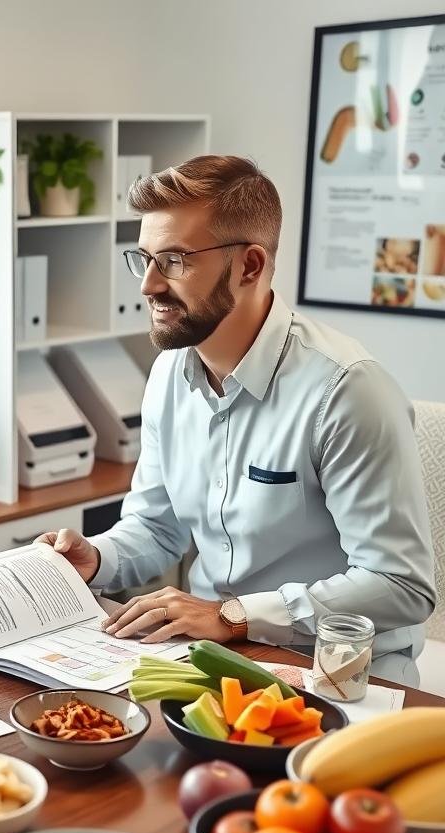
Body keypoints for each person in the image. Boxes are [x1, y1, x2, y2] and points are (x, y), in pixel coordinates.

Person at [37, 155, 435, 683]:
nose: (148, 286)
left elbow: (401, 584)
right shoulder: (167, 376)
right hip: (211, 656)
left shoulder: (348, 391)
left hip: (338, 670)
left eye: (174, 261)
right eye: (144, 259)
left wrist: (234, 616)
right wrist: (98, 557)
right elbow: (157, 527)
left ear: (249, 265)